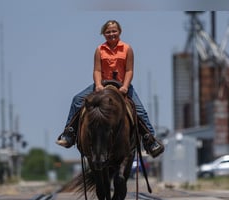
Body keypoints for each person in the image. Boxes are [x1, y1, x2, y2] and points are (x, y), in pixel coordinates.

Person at [56, 20, 164, 158]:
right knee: (77, 99)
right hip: (103, 84)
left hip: (122, 85)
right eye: (108, 32)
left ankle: (150, 140)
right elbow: (96, 70)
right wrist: (98, 85)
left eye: (114, 31)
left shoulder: (127, 49)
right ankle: (69, 133)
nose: (111, 34)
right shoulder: (99, 49)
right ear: (103, 34)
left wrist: (125, 86)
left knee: (140, 110)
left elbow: (129, 70)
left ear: (119, 32)